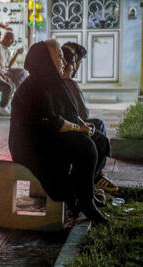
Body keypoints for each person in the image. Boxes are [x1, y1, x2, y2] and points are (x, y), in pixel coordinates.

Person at [9, 39, 108, 224]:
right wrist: (80, 129)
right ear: (45, 59)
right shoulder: (36, 85)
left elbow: (69, 112)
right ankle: (84, 202)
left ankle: (84, 195)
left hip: (48, 137)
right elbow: (54, 122)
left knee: (98, 140)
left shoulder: (53, 82)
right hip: (31, 145)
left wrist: (83, 127)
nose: (63, 60)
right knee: (84, 145)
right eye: (59, 56)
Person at [61, 42, 118, 193]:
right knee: (99, 137)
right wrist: (80, 127)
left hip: (62, 127)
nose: (75, 66)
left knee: (97, 126)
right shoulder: (65, 83)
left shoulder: (56, 81)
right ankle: (90, 180)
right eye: (74, 61)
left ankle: (95, 175)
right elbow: (81, 114)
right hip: (58, 134)